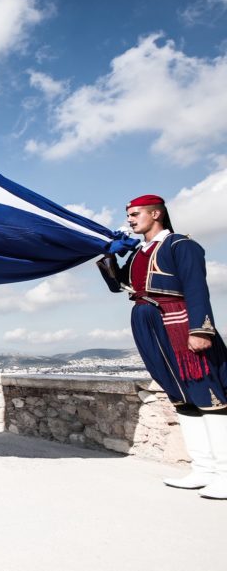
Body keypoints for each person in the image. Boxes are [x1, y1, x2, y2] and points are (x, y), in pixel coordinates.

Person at [98, 195, 227, 499]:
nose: (130, 220)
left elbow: (196, 287)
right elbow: (119, 286)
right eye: (129, 215)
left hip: (177, 320)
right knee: (180, 396)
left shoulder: (180, 245)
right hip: (147, 321)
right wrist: (108, 257)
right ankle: (203, 469)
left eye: (135, 214)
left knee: (207, 394)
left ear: (155, 214)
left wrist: (200, 330)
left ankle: (224, 472)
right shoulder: (138, 253)